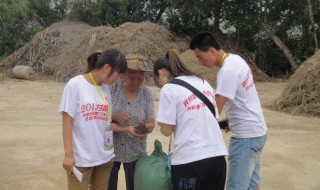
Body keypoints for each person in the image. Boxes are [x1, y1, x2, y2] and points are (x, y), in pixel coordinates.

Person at [190, 31, 268, 190]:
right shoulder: (236, 60)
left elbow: (215, 109)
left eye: (199, 57)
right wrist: (231, 119)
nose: (200, 62)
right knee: (252, 185)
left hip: (245, 139)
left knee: (236, 187)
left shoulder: (226, 71)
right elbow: (242, 99)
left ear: (211, 51)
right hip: (257, 132)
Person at [153, 49, 228, 190]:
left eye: (158, 79)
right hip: (217, 157)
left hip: (189, 161)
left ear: (161, 73)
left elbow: (166, 131)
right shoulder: (203, 82)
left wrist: (161, 123)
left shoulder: (169, 89)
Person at [59, 49, 127, 190]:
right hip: (81, 160)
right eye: (118, 73)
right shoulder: (75, 85)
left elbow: (105, 121)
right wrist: (68, 155)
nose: (118, 78)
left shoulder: (105, 89)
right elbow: (67, 121)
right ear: (107, 67)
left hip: (104, 158)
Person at [108, 54, 155, 190]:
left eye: (140, 79)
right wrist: (115, 116)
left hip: (135, 150)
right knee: (108, 186)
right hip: (110, 150)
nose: (135, 82)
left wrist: (145, 127)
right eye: (131, 78)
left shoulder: (146, 94)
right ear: (124, 74)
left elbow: (151, 122)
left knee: (135, 186)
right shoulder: (112, 88)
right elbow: (101, 116)